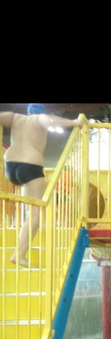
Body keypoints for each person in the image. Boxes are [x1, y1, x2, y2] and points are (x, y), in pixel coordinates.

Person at [0, 103, 83, 267]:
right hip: (30, 165)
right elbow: (50, 121)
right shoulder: (39, 118)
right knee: (35, 214)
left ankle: (20, 253)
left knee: (33, 205)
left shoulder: (15, 118)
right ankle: (19, 254)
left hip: (10, 166)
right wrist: (74, 122)